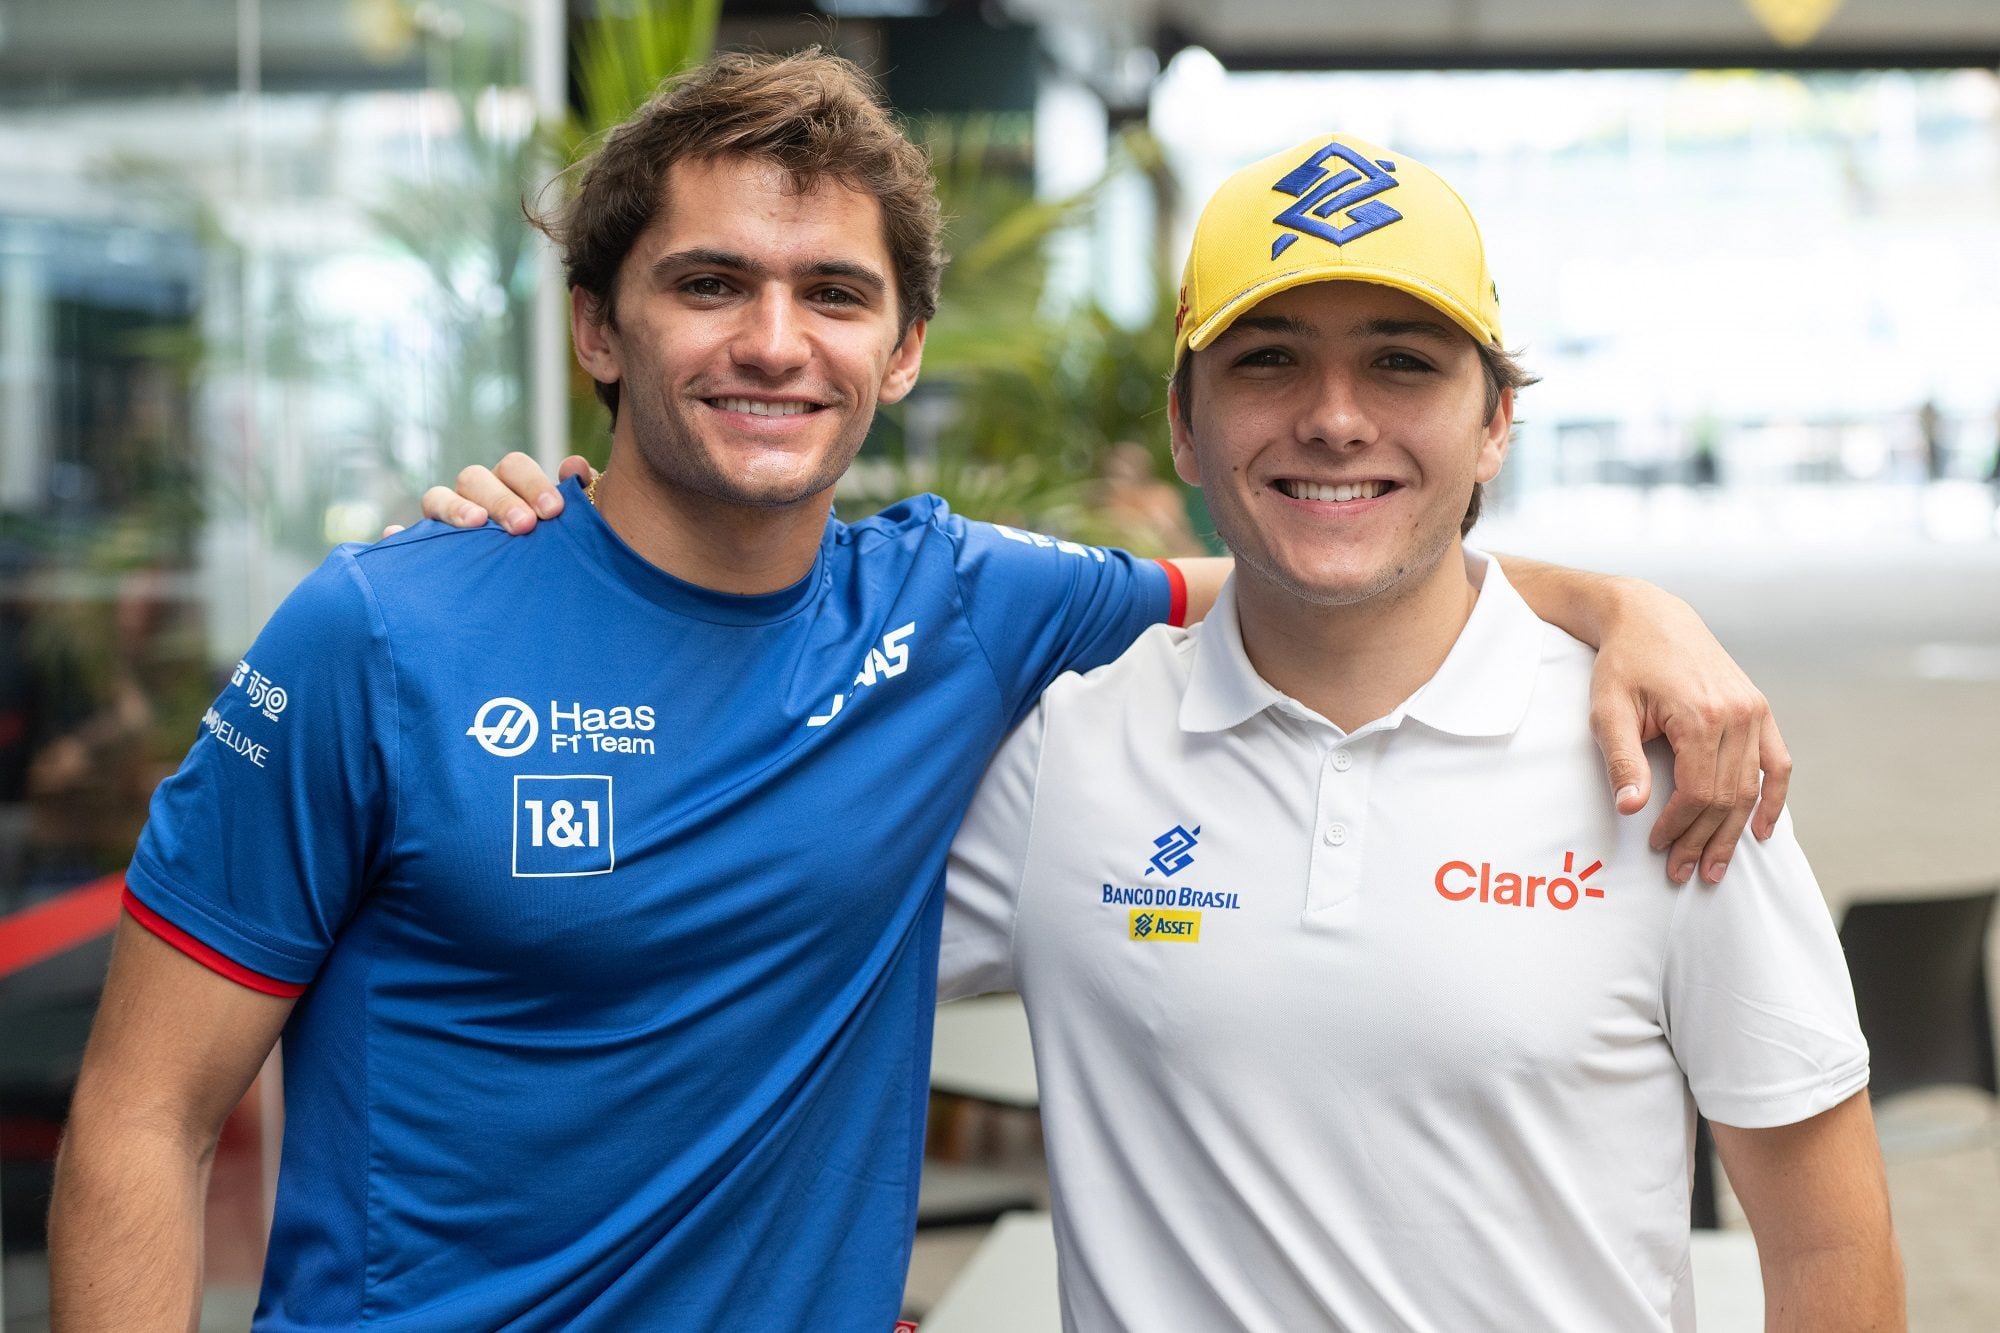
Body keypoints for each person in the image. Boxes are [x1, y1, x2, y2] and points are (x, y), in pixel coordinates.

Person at [53, 52, 1785, 1331]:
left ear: (902, 351)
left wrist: (1632, 605)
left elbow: (1327, 552)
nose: (773, 340)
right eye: (707, 283)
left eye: (835, 294)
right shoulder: (383, 629)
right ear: (598, 327)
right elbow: (142, 1113)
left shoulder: (963, 605)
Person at [939, 135, 1902, 1330]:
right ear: (1185, 427)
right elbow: (748, 984)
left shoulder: (1672, 761)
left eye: (1401, 363)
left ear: (1494, 422)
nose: (1335, 419)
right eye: (1269, 361)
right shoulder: (1060, 754)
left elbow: (1825, 1253)